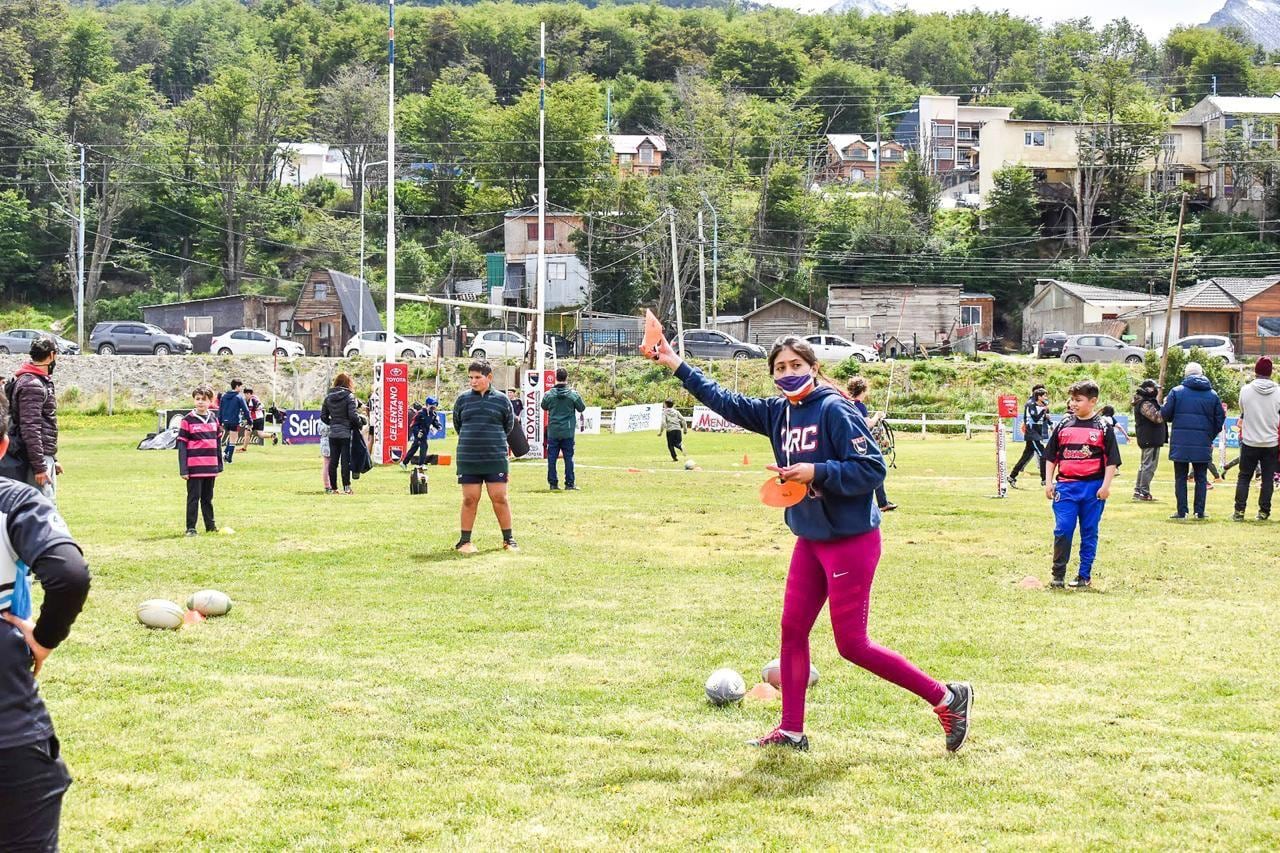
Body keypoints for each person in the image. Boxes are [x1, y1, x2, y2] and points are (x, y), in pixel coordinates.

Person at [646, 333, 971, 753]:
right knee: (792, 629)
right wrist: (675, 362)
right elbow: (724, 400)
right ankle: (791, 731)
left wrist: (815, 472)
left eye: (795, 366)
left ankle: (947, 698)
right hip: (811, 538)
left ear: (814, 368)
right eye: (779, 368)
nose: (787, 374)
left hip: (850, 540)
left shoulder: (836, 409)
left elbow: (871, 469)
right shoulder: (778, 413)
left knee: (852, 644)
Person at [0, 386, 91, 850]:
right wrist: (45, 639)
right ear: (3, 444)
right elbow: (70, 575)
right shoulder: (12, 500)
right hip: (9, 736)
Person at [1044, 379, 1121, 589]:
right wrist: (1048, 482)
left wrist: (1105, 487)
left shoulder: (1104, 427)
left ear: (1093, 401)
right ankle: (1057, 574)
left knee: (1089, 531)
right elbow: (1050, 456)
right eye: (1072, 399)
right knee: (1063, 529)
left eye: (1078, 400)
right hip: (1066, 488)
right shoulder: (1063, 424)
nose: (1073, 404)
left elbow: (1112, 460)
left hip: (1092, 489)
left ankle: (1083, 576)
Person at [453, 361, 518, 553]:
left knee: (500, 497)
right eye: (470, 378)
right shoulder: (462, 400)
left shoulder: (503, 400)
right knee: (469, 499)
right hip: (468, 458)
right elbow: (458, 425)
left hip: (495, 457)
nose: (473, 381)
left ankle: (508, 539)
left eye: (477, 377)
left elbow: (509, 426)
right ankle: (464, 541)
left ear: (489, 377)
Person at [1161, 362, 1225, 520]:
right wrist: (1210, 435)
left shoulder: (1176, 392)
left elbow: (1166, 415)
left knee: (1180, 477)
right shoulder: (1213, 394)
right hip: (1203, 441)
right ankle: (1200, 511)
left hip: (1180, 441)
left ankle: (1182, 511)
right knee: (1201, 477)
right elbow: (1220, 419)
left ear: (1186, 374)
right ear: (1201, 374)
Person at [2, 336, 62, 501]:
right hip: (34, 460)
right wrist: (40, 466)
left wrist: (52, 459)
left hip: (40, 456)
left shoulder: (32, 380)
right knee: (43, 511)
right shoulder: (33, 385)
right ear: (51, 355)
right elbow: (30, 428)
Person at [1234, 356, 1280, 522]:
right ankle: (1264, 511)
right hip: (1271, 441)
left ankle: (1239, 510)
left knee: (1244, 476)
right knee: (1267, 478)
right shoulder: (1278, 391)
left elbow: (1242, 409)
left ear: (1256, 371)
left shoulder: (1246, 390)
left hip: (1250, 440)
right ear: (1270, 372)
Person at [177, 385, 224, 536]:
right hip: (194, 467)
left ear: (210, 401)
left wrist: (219, 465)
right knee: (193, 498)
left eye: (204, 400)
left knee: (207, 498)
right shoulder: (187, 420)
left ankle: (210, 526)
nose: (200, 402)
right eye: (197, 399)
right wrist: (184, 469)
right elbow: (182, 446)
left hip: (210, 467)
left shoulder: (213, 419)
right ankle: (191, 528)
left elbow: (217, 443)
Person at [848, 377, 897, 511]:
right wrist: (877, 416)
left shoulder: (845, 403)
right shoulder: (859, 405)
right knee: (876, 467)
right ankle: (881, 503)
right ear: (863, 390)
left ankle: (882, 502)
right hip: (860, 444)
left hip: (847, 442)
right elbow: (867, 424)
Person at [541, 368, 585, 491]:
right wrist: (575, 395)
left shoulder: (549, 394)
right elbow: (581, 408)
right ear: (566, 378)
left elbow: (543, 406)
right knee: (568, 458)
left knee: (552, 458)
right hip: (568, 431)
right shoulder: (573, 394)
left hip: (553, 430)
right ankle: (569, 483)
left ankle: (553, 483)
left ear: (556, 377)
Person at [321, 373, 360, 495]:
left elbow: (323, 416)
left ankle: (333, 488)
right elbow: (353, 416)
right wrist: (358, 423)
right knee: (345, 461)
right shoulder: (349, 397)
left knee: (333, 462)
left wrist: (332, 423)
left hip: (333, 433)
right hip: (345, 433)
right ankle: (347, 487)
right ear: (348, 383)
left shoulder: (328, 397)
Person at [1131, 379, 1167, 502]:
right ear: (1147, 389)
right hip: (1150, 438)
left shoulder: (1143, 401)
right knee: (1149, 466)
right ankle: (1144, 492)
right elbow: (1157, 418)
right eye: (1154, 388)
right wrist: (1166, 408)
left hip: (1148, 438)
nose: (1156, 390)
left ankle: (1138, 490)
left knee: (1144, 466)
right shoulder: (1145, 403)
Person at [1009, 384, 1050, 489]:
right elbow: (1035, 418)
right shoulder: (1030, 404)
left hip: (1037, 432)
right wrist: (1043, 411)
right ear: (1038, 395)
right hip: (1032, 434)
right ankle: (1044, 480)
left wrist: (1047, 418)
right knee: (1043, 455)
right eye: (1044, 395)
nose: (1046, 398)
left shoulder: (1042, 404)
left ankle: (1012, 476)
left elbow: (1043, 418)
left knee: (1025, 457)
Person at [218, 380, 251, 465]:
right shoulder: (239, 397)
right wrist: (250, 421)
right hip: (234, 420)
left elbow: (220, 410)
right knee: (233, 440)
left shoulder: (224, 396)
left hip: (225, 421)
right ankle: (229, 459)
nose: (240, 388)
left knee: (232, 438)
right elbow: (246, 410)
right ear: (237, 386)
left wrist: (220, 422)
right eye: (240, 386)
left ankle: (225, 453)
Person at [402, 399, 442, 469]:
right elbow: (413, 424)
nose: (433, 408)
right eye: (432, 406)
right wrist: (417, 432)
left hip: (425, 433)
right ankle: (421, 464)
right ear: (427, 405)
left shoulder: (433, 414)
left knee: (414, 447)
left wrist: (438, 426)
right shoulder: (420, 413)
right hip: (419, 433)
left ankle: (404, 462)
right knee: (424, 446)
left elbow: (434, 422)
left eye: (435, 406)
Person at [319, 420, 332, 493]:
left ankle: (328, 485)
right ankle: (328, 485)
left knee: (327, 464)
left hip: (324, 442)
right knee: (327, 465)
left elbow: (319, 430)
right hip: (328, 442)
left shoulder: (322, 419)